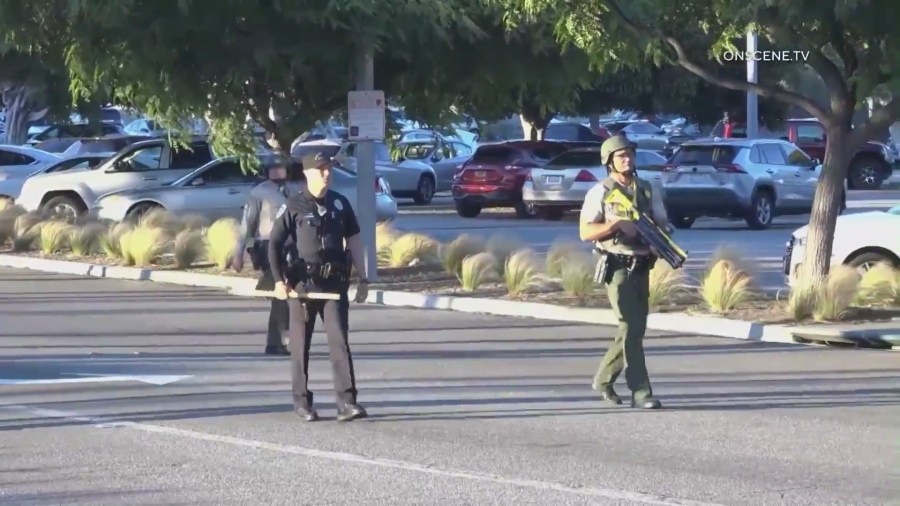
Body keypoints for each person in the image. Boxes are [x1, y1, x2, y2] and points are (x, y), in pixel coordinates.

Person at [267, 151, 369, 422]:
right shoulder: (294, 205)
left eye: (329, 169)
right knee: (300, 347)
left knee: (339, 343)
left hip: (334, 285)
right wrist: (279, 280)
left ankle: (347, 403)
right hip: (303, 287)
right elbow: (274, 243)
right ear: (308, 173)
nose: (326, 173)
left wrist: (364, 277)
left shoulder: (340, 203)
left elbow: (355, 240)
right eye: (321, 169)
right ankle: (302, 402)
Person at [578, 135, 668, 410]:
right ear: (609, 161)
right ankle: (640, 391)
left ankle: (603, 379)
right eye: (620, 155)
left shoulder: (648, 189)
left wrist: (659, 242)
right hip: (616, 266)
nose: (627, 159)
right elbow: (585, 232)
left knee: (634, 329)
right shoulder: (601, 192)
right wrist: (614, 226)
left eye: (629, 154)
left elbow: (663, 224)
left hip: (643, 266)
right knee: (630, 326)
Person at [233, 155, 303, 356]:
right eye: (273, 168)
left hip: (294, 246)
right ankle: (275, 342)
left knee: (296, 293)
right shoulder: (260, 192)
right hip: (269, 247)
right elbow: (248, 224)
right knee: (279, 294)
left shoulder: (296, 189)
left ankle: (291, 337)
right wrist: (239, 253)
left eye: (281, 168)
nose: (277, 172)